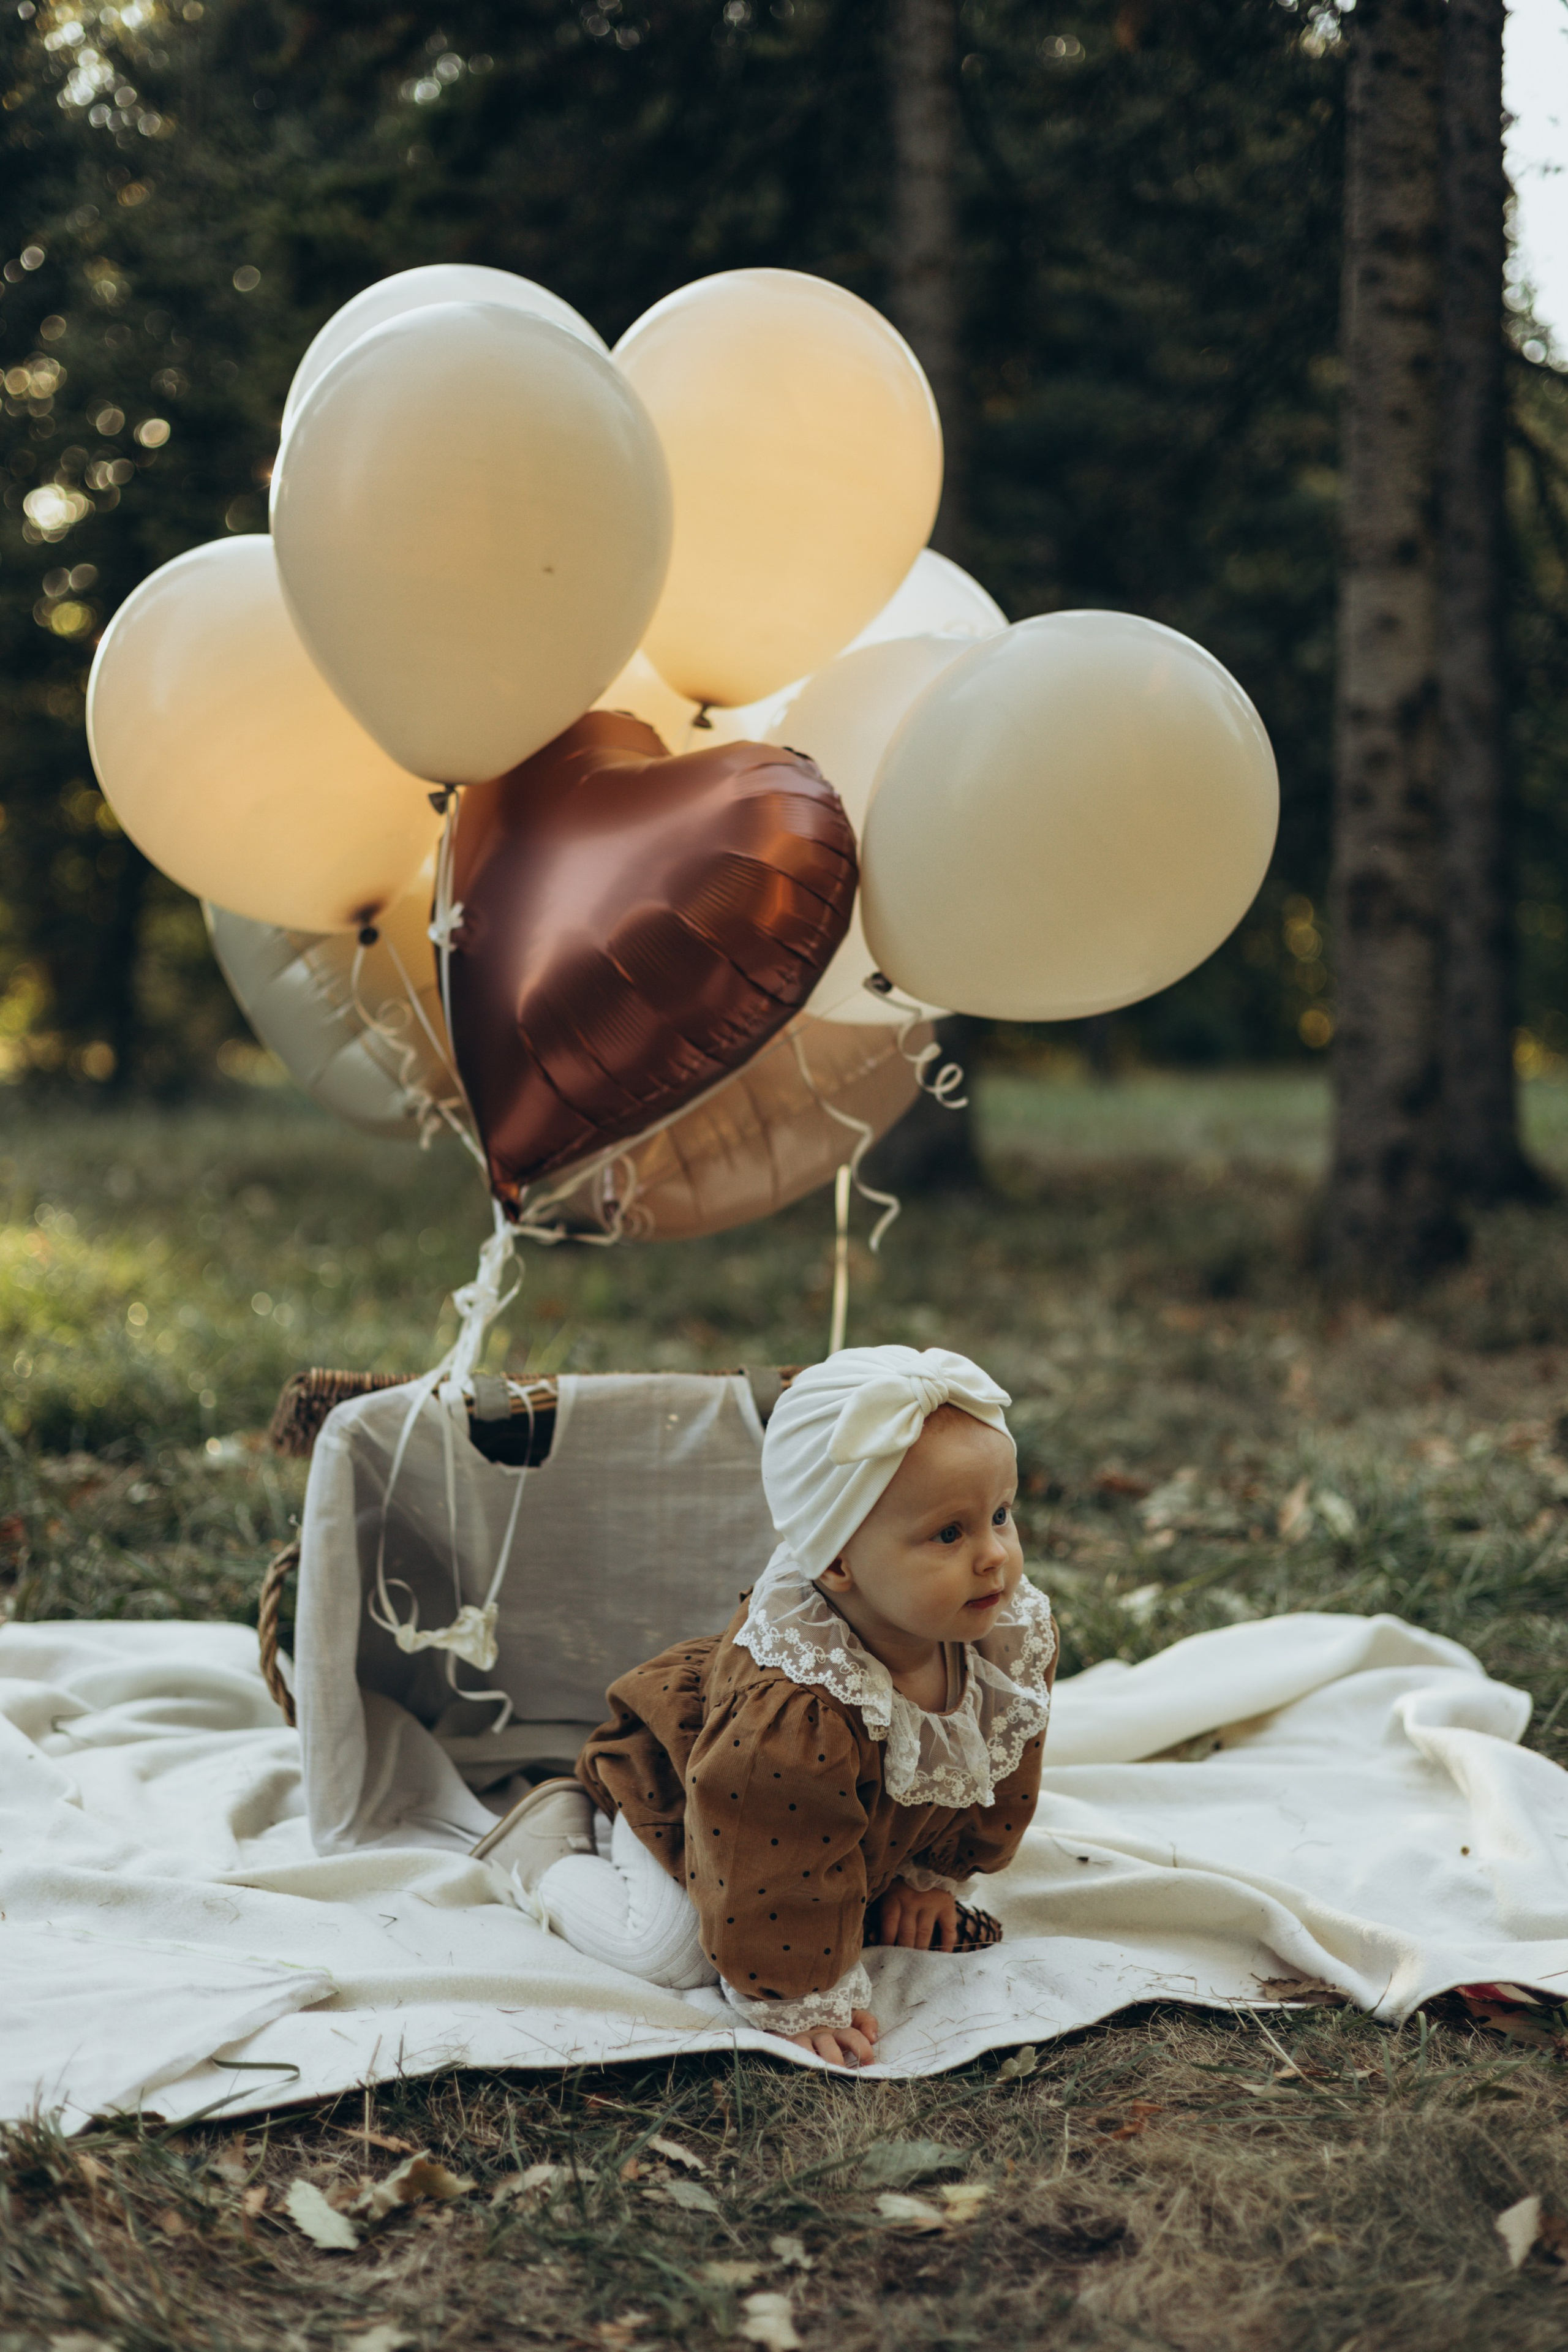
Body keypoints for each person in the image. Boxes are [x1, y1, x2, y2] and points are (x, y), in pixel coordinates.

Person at [472, 1345, 1056, 2067]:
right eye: (949, 1533)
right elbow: (762, 1864)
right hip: (700, 1808)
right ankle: (546, 1851)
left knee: (845, 1883)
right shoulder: (791, 1717)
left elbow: (1000, 1772)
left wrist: (929, 1877)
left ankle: (867, 1881)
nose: (994, 1555)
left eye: (1000, 1514)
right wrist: (796, 1994)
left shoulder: (1002, 1638)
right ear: (837, 1562)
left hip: (834, 1832)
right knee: (669, 1955)